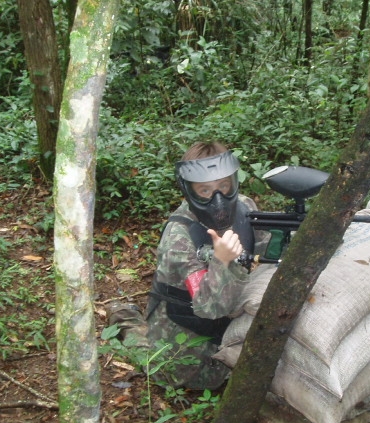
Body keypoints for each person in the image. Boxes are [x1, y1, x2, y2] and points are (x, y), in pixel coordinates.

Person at [108, 141, 267, 390]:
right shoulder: (179, 237)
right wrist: (222, 261)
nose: (218, 199)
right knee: (169, 374)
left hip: (227, 316)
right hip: (184, 322)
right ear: (189, 190)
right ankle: (124, 318)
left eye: (224, 186)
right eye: (205, 191)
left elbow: (266, 249)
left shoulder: (245, 207)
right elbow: (208, 308)